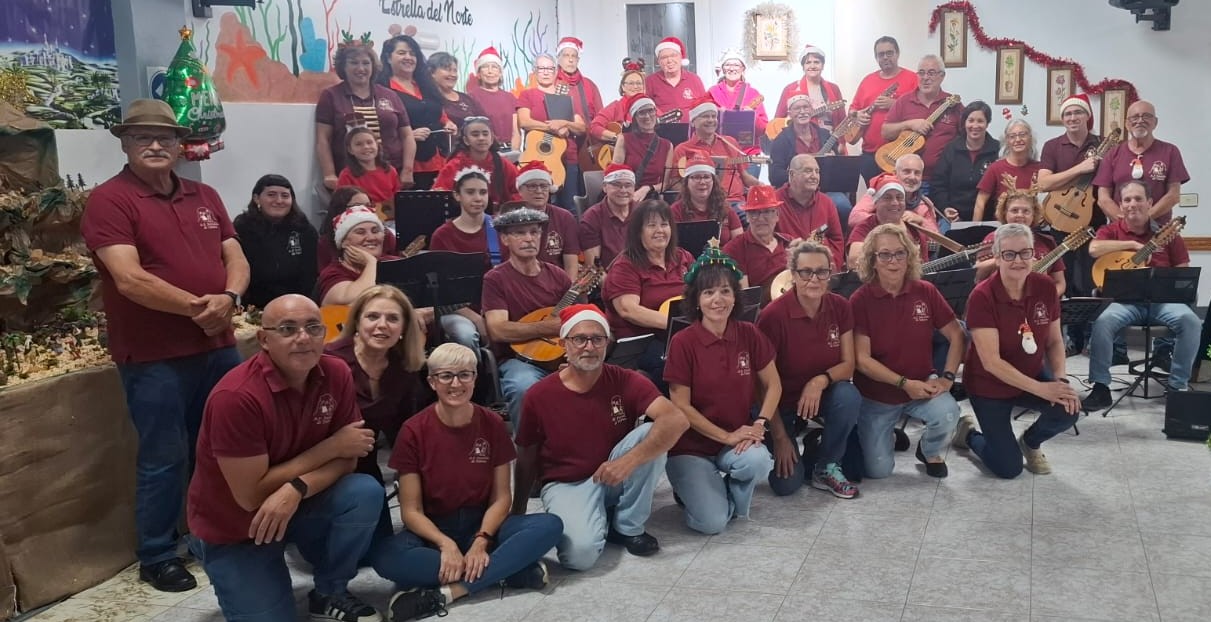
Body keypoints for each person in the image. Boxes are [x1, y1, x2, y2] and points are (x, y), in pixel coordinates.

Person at [80, 99, 249, 592]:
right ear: (125, 144)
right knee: (164, 455)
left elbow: (236, 256)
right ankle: (156, 554)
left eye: (165, 137)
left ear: (180, 145)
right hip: (153, 354)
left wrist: (230, 297)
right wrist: (201, 308)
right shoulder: (109, 200)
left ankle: (215, 534)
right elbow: (129, 279)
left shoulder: (205, 194)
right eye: (142, 137)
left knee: (221, 446)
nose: (155, 145)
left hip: (217, 346)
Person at [186, 294, 383, 621]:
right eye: (287, 329)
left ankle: (329, 591)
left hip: (296, 503)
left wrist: (297, 488)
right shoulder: (236, 397)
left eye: (313, 327)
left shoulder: (336, 372)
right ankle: (209, 550)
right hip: (238, 525)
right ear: (264, 339)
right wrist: (330, 447)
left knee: (363, 492)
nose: (303, 338)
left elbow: (350, 457)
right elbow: (250, 496)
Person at [370, 343, 563, 621]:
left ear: (475, 379)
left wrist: (481, 540)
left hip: (484, 526)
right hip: (434, 531)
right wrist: (445, 545)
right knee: (385, 557)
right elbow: (411, 511)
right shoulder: (413, 430)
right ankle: (507, 570)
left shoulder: (492, 423)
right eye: (446, 376)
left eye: (464, 375)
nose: (456, 384)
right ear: (432, 382)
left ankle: (451, 591)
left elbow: (501, 498)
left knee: (550, 525)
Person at [513, 304, 687, 569]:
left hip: (613, 471)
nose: (589, 347)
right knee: (578, 558)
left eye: (597, 339)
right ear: (563, 343)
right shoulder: (538, 395)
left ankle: (628, 526)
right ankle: (601, 516)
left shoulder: (626, 379)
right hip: (567, 483)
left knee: (653, 432)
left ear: (607, 343)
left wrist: (629, 461)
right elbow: (526, 456)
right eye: (579, 339)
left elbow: (677, 420)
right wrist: (518, 510)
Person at [664, 245, 778, 534]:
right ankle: (696, 490)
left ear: (735, 296)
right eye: (709, 292)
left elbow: (773, 384)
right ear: (696, 300)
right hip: (690, 448)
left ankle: (720, 489)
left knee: (759, 461)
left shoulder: (749, 333)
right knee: (713, 523)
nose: (718, 299)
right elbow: (681, 406)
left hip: (734, 441)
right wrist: (727, 436)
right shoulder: (682, 342)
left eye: (726, 291)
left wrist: (760, 423)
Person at [954, 224, 1080, 478]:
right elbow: (991, 363)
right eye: (1009, 254)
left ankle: (1030, 442)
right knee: (1007, 468)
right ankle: (968, 434)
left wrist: (1060, 381)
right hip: (989, 386)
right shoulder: (982, 296)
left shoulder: (1046, 287)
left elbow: (1055, 342)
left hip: (1030, 374)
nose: (1018, 261)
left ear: (1034, 254)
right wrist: (1042, 389)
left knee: (1068, 408)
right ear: (997, 257)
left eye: (1025, 253)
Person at [851, 224, 963, 478]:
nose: (893, 261)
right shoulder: (860, 300)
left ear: (909, 256)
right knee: (878, 471)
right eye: (884, 254)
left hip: (922, 386)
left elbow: (957, 335)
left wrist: (947, 378)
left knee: (948, 413)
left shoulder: (925, 291)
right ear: (872, 260)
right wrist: (904, 384)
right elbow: (862, 360)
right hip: (877, 397)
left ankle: (928, 450)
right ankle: (889, 434)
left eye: (900, 253)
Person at [1081, 181, 1200, 411]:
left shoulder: (1167, 234)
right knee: (1103, 322)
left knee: (1191, 321)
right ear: (1120, 205)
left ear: (1150, 202)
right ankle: (1101, 388)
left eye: (1138, 198)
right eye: (1127, 200)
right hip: (1125, 303)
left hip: (1162, 303)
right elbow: (1094, 249)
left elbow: (1183, 273)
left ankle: (1177, 388)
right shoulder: (1111, 231)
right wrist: (1132, 245)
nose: (1132, 204)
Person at [757, 239, 861, 497]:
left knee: (848, 396)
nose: (814, 279)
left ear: (830, 273)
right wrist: (780, 438)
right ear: (793, 275)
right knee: (787, 485)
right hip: (779, 403)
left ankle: (826, 465)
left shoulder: (840, 306)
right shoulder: (772, 316)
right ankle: (795, 444)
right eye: (806, 272)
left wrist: (819, 381)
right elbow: (761, 385)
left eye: (821, 271)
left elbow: (848, 365)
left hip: (820, 395)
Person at [480, 207, 572, 428]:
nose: (529, 238)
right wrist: (549, 327)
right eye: (520, 233)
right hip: (516, 360)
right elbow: (498, 330)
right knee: (523, 387)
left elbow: (578, 320)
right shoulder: (495, 279)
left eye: (534, 232)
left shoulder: (558, 276)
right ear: (505, 239)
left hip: (561, 356)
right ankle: (526, 446)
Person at [324, 285, 426, 483]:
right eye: (372, 317)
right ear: (357, 321)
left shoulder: (404, 368)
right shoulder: (329, 361)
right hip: (321, 463)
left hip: (365, 466)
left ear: (404, 327)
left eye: (393, 318)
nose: (382, 325)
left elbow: (404, 431)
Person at [601, 199, 694, 385]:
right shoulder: (625, 265)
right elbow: (629, 310)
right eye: (651, 225)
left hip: (679, 335)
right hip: (639, 341)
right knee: (676, 363)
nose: (659, 230)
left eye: (664, 224)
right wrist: (678, 324)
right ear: (638, 232)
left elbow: (700, 292)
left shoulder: (683, 256)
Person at [316, 42, 415, 192]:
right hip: (351, 177)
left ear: (373, 66)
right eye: (354, 63)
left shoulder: (390, 95)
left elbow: (407, 135)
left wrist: (408, 170)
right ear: (343, 66)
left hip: (392, 174)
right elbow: (323, 139)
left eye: (366, 63)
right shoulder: (331, 96)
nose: (361, 68)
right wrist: (329, 173)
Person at [1037, 93, 1103, 305]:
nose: (1072, 117)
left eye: (1078, 112)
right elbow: (1044, 183)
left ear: (1087, 116)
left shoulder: (1103, 144)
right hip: (1059, 221)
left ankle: (1087, 324)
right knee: (1063, 277)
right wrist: (1080, 169)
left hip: (1093, 222)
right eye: (1067, 114)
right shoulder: (1052, 146)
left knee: (1089, 280)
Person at [379, 34, 455, 191]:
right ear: (388, 58)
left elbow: (440, 114)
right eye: (402, 53)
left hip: (440, 160)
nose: (408, 57)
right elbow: (382, 127)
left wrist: (448, 123)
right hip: (407, 165)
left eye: (412, 53)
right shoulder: (382, 89)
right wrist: (408, 136)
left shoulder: (426, 84)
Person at [1093, 100, 1188, 224]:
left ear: (1155, 122)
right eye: (1135, 117)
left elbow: (1173, 195)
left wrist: (1145, 218)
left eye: (1146, 116)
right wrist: (1125, 223)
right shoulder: (1112, 154)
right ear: (1127, 124)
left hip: (1158, 229)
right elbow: (1103, 198)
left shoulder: (1170, 151)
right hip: (1119, 230)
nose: (1140, 120)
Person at [234, 174, 318, 309]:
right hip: (252, 307)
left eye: (285, 196)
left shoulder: (305, 229)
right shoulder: (241, 228)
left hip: (296, 305)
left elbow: (310, 275)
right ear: (256, 198)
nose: (279, 201)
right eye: (271, 195)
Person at [518, 53, 587, 211]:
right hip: (536, 159)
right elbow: (524, 122)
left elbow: (581, 127)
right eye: (541, 68)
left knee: (570, 207)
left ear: (556, 71)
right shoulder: (527, 95)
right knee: (537, 207)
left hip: (567, 158)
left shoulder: (566, 97)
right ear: (534, 71)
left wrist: (565, 123)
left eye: (549, 68)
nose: (546, 72)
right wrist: (552, 127)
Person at [849, 36, 919, 182]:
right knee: (873, 194)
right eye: (881, 54)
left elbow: (921, 111)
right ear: (876, 58)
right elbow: (852, 110)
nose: (885, 57)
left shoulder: (913, 79)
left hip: (900, 153)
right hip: (870, 154)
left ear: (897, 54)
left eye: (889, 53)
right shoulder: (867, 81)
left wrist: (894, 104)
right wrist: (858, 115)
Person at [974, 189, 1066, 296]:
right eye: (1014, 210)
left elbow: (1060, 282)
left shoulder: (1047, 241)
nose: (1020, 215)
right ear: (1005, 213)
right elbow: (978, 274)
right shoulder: (993, 238)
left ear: (1034, 215)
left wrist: (1047, 299)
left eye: (1026, 211)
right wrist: (1006, 260)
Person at [672, 97, 760, 208]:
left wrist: (761, 186)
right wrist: (694, 199)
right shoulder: (682, 149)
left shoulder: (730, 142)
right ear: (693, 122)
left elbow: (744, 175)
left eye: (714, 116)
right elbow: (675, 183)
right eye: (705, 116)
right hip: (702, 206)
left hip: (735, 202)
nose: (711, 120)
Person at [881, 55, 960, 179]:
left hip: (942, 180)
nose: (925, 78)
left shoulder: (953, 104)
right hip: (906, 179)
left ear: (942, 76)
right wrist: (909, 124)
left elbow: (967, 137)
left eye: (931, 73)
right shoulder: (904, 101)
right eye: (921, 73)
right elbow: (885, 132)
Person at [507, 161, 582, 276]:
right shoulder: (509, 219)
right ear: (520, 190)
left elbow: (571, 264)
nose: (539, 191)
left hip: (557, 282)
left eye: (544, 186)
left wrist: (569, 285)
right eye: (532, 186)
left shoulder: (564, 217)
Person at [932, 101, 1000, 223]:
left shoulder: (997, 150)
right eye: (971, 120)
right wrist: (945, 207)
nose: (975, 125)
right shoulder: (951, 149)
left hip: (988, 219)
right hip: (953, 218)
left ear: (987, 123)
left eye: (980, 121)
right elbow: (938, 184)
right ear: (964, 122)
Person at [774, 154, 844, 271]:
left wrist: (829, 268)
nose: (814, 176)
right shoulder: (774, 202)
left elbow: (837, 241)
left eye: (817, 171)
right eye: (808, 171)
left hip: (822, 272)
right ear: (792, 174)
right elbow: (767, 244)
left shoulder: (827, 203)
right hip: (787, 272)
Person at [847, 174, 932, 269]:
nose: (895, 203)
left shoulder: (914, 229)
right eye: (887, 198)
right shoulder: (865, 227)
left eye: (899, 197)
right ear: (876, 202)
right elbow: (854, 261)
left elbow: (923, 268)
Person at [433, 115, 521, 205]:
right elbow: (439, 197)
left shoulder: (503, 164)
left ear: (491, 139)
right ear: (466, 140)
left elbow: (520, 192)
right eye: (475, 135)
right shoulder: (453, 166)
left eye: (485, 134)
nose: (481, 138)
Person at [723, 185, 789, 298]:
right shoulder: (735, 249)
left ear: (777, 215)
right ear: (747, 217)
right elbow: (745, 298)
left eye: (767, 212)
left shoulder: (789, 243)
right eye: (754, 213)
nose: (761, 218)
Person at [848, 153, 940, 232]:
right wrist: (894, 220)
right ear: (895, 174)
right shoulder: (879, 191)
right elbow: (854, 218)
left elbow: (936, 237)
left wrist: (921, 220)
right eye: (907, 172)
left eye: (917, 173)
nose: (912, 177)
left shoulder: (922, 203)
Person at [430, 167, 500, 270]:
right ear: (457, 195)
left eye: (483, 192)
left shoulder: (500, 227)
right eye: (470, 192)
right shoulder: (442, 236)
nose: (478, 198)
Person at [972, 119, 1043, 221]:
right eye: (1012, 136)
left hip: (1032, 226)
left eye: (1022, 135)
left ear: (1030, 138)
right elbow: (980, 202)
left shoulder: (1040, 168)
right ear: (1007, 141)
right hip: (1003, 227)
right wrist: (975, 228)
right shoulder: (995, 168)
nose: (1018, 139)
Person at [769, 91, 841, 189]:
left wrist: (833, 161)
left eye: (805, 107)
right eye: (797, 108)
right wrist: (800, 177)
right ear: (790, 114)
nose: (802, 112)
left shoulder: (825, 135)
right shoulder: (781, 141)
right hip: (795, 192)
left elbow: (838, 168)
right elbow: (774, 176)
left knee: (840, 199)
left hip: (824, 188)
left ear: (811, 110)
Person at [774, 44, 847, 139]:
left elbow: (841, 120)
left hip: (829, 141)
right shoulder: (790, 88)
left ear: (823, 65)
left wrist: (841, 142)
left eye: (817, 62)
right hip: (799, 142)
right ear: (803, 67)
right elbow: (777, 120)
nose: (812, 66)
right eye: (808, 62)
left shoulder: (833, 88)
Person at [612, 94, 675, 202]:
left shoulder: (667, 145)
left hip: (652, 198)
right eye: (641, 112)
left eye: (650, 111)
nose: (647, 116)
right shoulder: (624, 139)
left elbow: (666, 183)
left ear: (655, 112)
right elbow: (615, 175)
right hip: (626, 197)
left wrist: (648, 188)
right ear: (635, 117)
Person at [554, 36, 605, 169]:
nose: (570, 60)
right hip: (561, 151)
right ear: (558, 58)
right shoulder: (552, 84)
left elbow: (600, 118)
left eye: (574, 56)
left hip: (589, 150)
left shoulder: (589, 85)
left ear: (578, 60)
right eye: (566, 55)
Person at [670, 153, 743, 244]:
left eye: (707, 177)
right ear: (686, 182)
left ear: (713, 181)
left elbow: (740, 242)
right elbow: (672, 246)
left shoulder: (725, 209)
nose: (702, 182)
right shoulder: (675, 211)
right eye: (696, 177)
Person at [580, 163, 638, 268]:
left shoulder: (644, 212)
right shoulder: (591, 218)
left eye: (628, 185)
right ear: (604, 187)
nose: (623, 190)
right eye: (616, 185)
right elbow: (594, 268)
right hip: (610, 275)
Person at [336, 126, 401, 219]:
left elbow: (398, 199)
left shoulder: (390, 170)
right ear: (350, 150)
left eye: (369, 142)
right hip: (361, 219)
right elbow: (342, 205)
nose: (366, 147)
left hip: (390, 218)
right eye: (358, 144)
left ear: (377, 145)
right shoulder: (346, 175)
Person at [708, 48, 768, 145]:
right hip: (718, 148)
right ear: (722, 69)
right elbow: (702, 124)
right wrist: (717, 115)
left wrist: (752, 117)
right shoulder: (712, 92)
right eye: (727, 65)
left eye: (736, 65)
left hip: (746, 150)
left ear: (743, 69)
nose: (732, 69)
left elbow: (764, 129)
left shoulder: (753, 93)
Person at [468, 46, 521, 150]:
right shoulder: (472, 97)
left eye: (494, 67)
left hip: (510, 151)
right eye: (485, 67)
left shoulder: (510, 97)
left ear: (500, 73)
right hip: (485, 151)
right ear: (479, 73)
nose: (490, 71)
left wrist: (514, 153)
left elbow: (516, 131)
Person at [590, 59, 649, 146]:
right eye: (631, 83)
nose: (635, 86)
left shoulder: (650, 107)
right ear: (623, 87)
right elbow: (594, 127)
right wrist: (617, 138)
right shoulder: (616, 107)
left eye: (639, 83)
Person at [645, 36, 706, 118]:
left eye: (673, 55)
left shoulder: (695, 80)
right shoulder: (650, 81)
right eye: (664, 57)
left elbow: (704, 107)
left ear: (681, 57)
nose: (669, 60)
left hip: (691, 126)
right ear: (658, 61)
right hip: (662, 126)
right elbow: (646, 108)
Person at [428, 51, 486, 139]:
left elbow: (484, 123)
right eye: (447, 69)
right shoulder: (427, 100)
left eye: (455, 70)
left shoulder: (467, 99)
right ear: (432, 72)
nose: (453, 75)